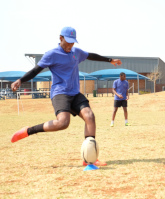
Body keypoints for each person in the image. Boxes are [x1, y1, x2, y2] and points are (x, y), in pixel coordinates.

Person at [10, 27, 122, 166]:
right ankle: (28, 131)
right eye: (68, 42)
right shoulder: (52, 54)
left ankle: (89, 157)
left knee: (90, 116)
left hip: (75, 92)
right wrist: (20, 80)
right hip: (60, 93)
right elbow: (35, 70)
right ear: (60, 38)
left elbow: (90, 55)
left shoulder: (76, 52)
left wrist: (110, 60)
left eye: (73, 42)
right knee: (63, 123)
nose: (70, 45)